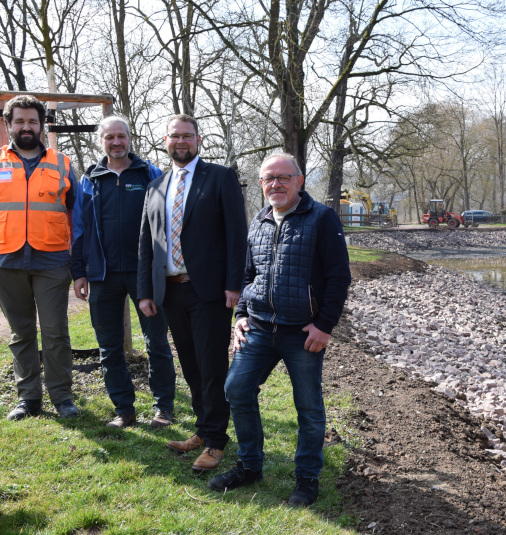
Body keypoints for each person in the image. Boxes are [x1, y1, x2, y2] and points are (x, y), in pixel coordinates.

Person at [208, 152, 351, 507]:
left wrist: (324, 326)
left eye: (283, 177)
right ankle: (250, 466)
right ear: (261, 184)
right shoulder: (258, 221)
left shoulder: (321, 218)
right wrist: (240, 314)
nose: (276, 184)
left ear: (299, 181)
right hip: (257, 329)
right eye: (269, 178)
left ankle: (306, 478)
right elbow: (247, 275)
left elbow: (338, 277)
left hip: (302, 334)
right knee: (237, 390)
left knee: (308, 407)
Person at [137, 114, 247, 472]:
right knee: (190, 365)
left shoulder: (220, 177)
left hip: (210, 291)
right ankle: (203, 429)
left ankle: (216, 441)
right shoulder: (156, 188)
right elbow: (146, 246)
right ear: (164, 141)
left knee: (212, 365)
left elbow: (235, 234)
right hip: (169, 292)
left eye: (187, 136)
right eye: (174, 136)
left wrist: (234, 284)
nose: (180, 142)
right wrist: (145, 292)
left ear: (198, 140)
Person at [0, 95, 79, 421]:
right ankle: (28, 399)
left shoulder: (62, 163)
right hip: (3, 261)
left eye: (32, 121)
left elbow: (78, 216)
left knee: (56, 331)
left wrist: (79, 258)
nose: (26, 127)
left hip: (53, 260)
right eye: (19, 121)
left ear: (42, 125)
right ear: (8, 124)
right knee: (22, 333)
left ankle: (62, 397)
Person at [71, 115, 176, 429]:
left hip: (146, 275)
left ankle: (163, 409)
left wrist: (166, 268)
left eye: (121, 136)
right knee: (109, 346)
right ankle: (124, 411)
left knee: (156, 342)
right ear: (100, 141)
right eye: (109, 137)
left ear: (130, 138)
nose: (116, 142)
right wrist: (79, 271)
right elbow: (78, 229)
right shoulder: (88, 181)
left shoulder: (150, 175)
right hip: (102, 276)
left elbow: (169, 225)